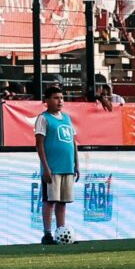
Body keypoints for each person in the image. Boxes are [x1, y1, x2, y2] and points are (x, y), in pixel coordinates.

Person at [35, 85, 79, 245]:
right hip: (53, 168)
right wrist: (46, 168)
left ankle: (61, 232)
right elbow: (39, 144)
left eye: (61, 98)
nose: (60, 101)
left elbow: (73, 143)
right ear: (46, 100)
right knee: (50, 201)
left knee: (62, 202)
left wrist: (76, 164)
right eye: (55, 98)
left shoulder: (67, 118)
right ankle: (47, 234)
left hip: (67, 167)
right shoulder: (43, 118)